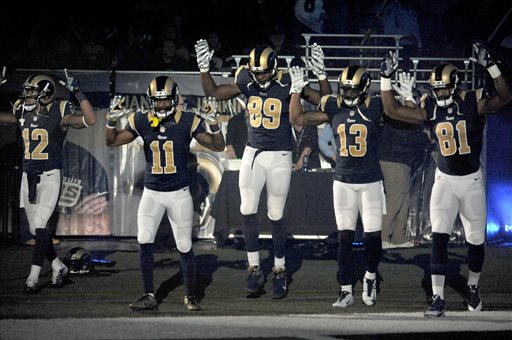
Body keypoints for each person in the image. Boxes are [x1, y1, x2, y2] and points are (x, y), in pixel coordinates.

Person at [379, 42, 512, 317]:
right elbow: (392, 111)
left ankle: (473, 287)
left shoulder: (472, 101)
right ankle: (437, 298)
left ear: (455, 85)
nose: (438, 93)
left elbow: (505, 96)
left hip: (472, 181)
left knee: (476, 241)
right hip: (445, 182)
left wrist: (492, 66)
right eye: (435, 88)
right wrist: (385, 78)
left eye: (443, 88)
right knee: (438, 238)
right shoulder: (429, 107)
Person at [194, 39, 331, 299]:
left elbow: (324, 101)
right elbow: (214, 92)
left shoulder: (288, 81)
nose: (260, 77)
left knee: (276, 213)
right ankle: (254, 267)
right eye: (256, 72)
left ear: (275, 68)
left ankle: (279, 269)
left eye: (265, 72)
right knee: (247, 208)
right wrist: (204, 69)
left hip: (279, 154)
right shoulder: (246, 79)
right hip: (253, 153)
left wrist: (321, 75)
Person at [105, 78, 225, 312]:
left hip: (178, 193)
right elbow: (112, 141)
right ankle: (148, 294)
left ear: (174, 99)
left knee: (183, 244)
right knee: (144, 239)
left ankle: (190, 295)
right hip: (152, 193)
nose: (160, 106)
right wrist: (110, 121)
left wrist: (215, 124)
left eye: (165, 101)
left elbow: (217, 146)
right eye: (157, 101)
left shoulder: (188, 121)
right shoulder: (140, 120)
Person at [289, 64, 385, 308]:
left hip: (370, 180)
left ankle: (370, 277)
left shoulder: (374, 106)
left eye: (353, 90)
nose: (349, 95)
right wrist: (296, 90)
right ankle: (345, 289)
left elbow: (398, 112)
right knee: (345, 238)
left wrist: (392, 86)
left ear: (364, 89)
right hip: (343, 180)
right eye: (345, 90)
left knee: (373, 237)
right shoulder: (333, 105)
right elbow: (297, 118)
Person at [0, 69, 97, 293]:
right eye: (28, 92)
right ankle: (58, 266)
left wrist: (78, 92)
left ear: (46, 93)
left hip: (50, 176)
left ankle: (33, 277)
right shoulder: (22, 109)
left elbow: (90, 120)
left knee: (42, 226)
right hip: (28, 176)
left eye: (32, 92)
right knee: (39, 232)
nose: (27, 96)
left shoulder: (59, 111)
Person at [380, 73, 431, 249]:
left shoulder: (401, 115)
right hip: (394, 161)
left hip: (401, 162)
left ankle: (398, 237)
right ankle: (383, 237)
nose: (416, 104)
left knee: (404, 199)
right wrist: (424, 139)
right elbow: (409, 136)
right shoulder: (395, 115)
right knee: (395, 199)